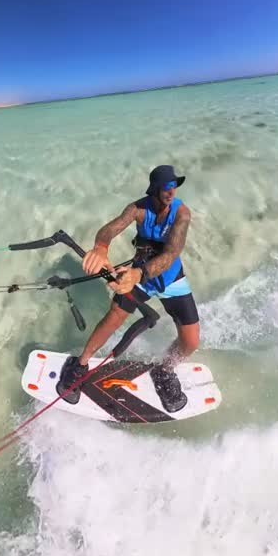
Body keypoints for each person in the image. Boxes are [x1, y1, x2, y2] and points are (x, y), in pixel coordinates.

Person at [57, 165, 199, 413]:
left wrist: (137, 274)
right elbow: (110, 229)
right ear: (155, 189)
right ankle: (80, 364)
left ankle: (164, 370)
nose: (171, 192)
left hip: (170, 280)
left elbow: (170, 254)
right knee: (114, 316)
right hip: (139, 276)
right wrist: (101, 248)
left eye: (174, 186)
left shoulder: (182, 214)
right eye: (166, 187)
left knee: (191, 342)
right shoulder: (138, 209)